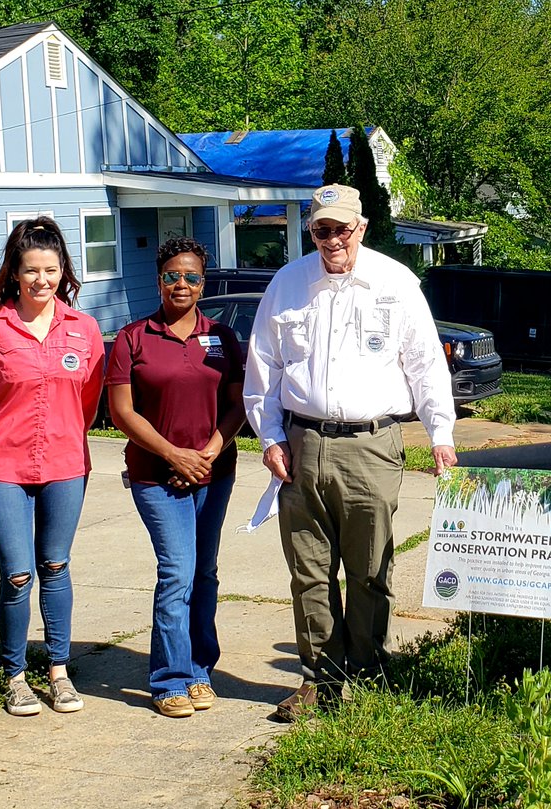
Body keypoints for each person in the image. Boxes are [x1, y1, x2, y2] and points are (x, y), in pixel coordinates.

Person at [243, 184, 457, 720]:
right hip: (302, 445)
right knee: (310, 573)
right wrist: (270, 438)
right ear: (309, 231)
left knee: (369, 570)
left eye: (342, 228)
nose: (332, 239)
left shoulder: (395, 282)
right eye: (322, 230)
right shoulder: (287, 285)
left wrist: (441, 434)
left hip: (372, 446)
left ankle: (368, 672)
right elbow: (262, 373)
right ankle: (321, 680)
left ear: (361, 228)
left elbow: (426, 364)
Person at [0, 216, 104, 716]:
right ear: (14, 274)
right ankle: (15, 675)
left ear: (64, 272)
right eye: (32, 270)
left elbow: (87, 400)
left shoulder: (83, 330)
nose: (43, 279)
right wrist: (3, 443)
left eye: (52, 269)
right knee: (18, 573)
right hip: (2, 468)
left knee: (56, 566)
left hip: (65, 464)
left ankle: (59, 671)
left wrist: (59, 436)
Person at [106, 238, 246, 718]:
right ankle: (169, 678)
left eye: (190, 276)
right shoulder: (133, 338)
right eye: (171, 276)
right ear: (158, 280)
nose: (180, 284)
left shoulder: (222, 338)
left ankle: (200, 669)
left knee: (204, 573)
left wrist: (205, 456)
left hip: (213, 472)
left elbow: (237, 405)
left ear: (203, 283)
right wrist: (174, 456)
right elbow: (122, 412)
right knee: (176, 574)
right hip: (155, 476)